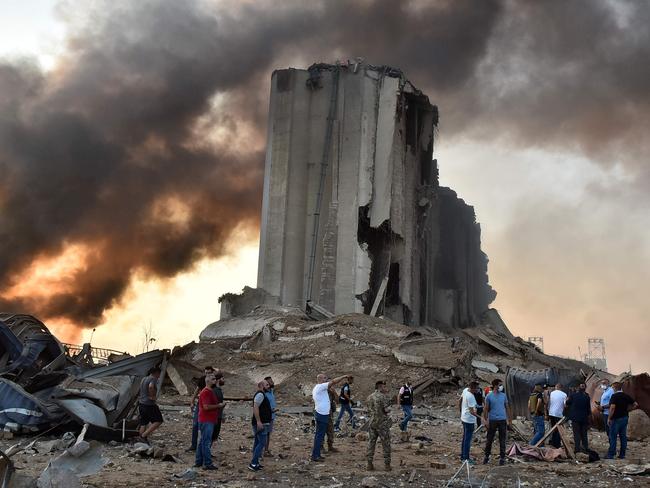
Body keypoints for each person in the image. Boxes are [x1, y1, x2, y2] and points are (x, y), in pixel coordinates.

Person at [311, 374, 349, 462]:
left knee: (320, 434)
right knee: (319, 435)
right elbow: (333, 381)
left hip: (325, 413)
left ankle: (317, 454)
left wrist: (334, 392)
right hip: (322, 414)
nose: (327, 380)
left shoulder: (323, 388)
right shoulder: (320, 387)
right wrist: (343, 376)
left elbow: (337, 400)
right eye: (325, 378)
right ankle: (315, 455)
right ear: (320, 379)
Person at [606, 382, 638, 459]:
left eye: (613, 387)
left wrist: (609, 418)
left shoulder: (614, 396)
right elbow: (636, 404)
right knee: (623, 437)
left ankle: (611, 455)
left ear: (615, 388)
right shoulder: (626, 396)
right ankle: (622, 455)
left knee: (613, 436)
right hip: (625, 418)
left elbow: (612, 407)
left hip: (616, 419)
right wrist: (628, 410)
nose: (612, 389)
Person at [483, 378, 511, 466]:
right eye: (499, 384)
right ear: (495, 385)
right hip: (492, 420)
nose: (501, 386)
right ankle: (486, 457)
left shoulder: (503, 395)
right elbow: (486, 409)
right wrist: (486, 420)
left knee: (502, 440)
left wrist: (509, 420)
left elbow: (507, 407)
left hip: (502, 420)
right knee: (489, 439)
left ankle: (502, 458)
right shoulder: (489, 396)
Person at [195, 373, 219, 470]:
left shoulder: (209, 391)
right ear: (208, 381)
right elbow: (206, 407)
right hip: (206, 420)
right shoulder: (206, 392)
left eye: (215, 379)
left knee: (202, 441)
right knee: (206, 442)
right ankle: (207, 463)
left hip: (207, 419)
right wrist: (219, 406)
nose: (215, 380)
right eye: (213, 379)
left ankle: (199, 461)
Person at [366, 380, 392, 472]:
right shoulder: (383, 397)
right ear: (380, 387)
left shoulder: (369, 397)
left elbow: (368, 410)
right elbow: (386, 410)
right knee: (386, 443)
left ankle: (369, 464)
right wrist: (390, 409)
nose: (386, 388)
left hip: (372, 422)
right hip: (382, 423)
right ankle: (387, 465)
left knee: (371, 442)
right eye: (384, 387)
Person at [187, 366, 214, 451]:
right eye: (206, 373)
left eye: (209, 373)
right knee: (195, 424)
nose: (207, 374)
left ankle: (204, 447)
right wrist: (192, 401)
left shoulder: (214, 381)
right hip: (200, 404)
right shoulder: (203, 379)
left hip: (209, 406)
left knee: (206, 426)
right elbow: (197, 390)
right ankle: (194, 445)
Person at [249, 380, 273, 471]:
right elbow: (255, 408)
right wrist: (259, 422)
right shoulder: (260, 395)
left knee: (257, 442)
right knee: (262, 442)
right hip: (260, 423)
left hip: (262, 422)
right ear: (261, 386)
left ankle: (255, 463)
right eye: (266, 385)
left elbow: (261, 408)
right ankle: (253, 463)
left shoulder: (262, 395)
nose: (268, 386)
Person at [138, 366, 163, 443]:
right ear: (156, 373)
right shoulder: (153, 379)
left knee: (144, 422)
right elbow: (151, 386)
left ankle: (141, 438)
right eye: (159, 374)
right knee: (158, 421)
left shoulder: (144, 379)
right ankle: (144, 435)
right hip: (149, 404)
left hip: (141, 403)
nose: (159, 376)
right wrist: (152, 396)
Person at [459, 381, 480, 464]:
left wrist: (461, 412)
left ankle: (463, 456)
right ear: (473, 388)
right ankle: (466, 458)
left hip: (464, 418)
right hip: (469, 420)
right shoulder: (471, 396)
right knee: (467, 439)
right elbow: (472, 412)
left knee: (465, 438)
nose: (478, 390)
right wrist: (481, 417)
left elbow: (459, 401)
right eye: (477, 388)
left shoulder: (465, 390)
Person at [566, 383, 591, 453]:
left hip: (575, 418)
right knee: (584, 434)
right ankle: (585, 448)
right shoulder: (587, 397)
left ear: (578, 388)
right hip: (584, 418)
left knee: (576, 434)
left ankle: (577, 449)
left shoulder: (573, 395)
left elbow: (567, 403)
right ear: (585, 388)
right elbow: (588, 409)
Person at [548, 383, 567, 448]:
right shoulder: (564, 394)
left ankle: (553, 442)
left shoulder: (552, 393)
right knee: (559, 429)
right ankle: (557, 444)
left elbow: (550, 402)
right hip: (559, 414)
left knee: (553, 428)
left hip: (551, 413)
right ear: (561, 388)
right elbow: (565, 405)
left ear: (556, 387)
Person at [264, 376, 278, 456]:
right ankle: (264, 450)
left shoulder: (271, 391)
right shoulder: (264, 394)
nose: (272, 382)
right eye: (270, 381)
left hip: (272, 416)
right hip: (267, 416)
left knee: (268, 433)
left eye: (272, 381)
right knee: (265, 434)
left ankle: (266, 449)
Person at [211, 372, 226, 448]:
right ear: (218, 380)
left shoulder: (219, 390)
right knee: (211, 436)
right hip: (214, 417)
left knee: (214, 436)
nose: (224, 380)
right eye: (223, 379)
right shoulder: (214, 390)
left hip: (218, 416)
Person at [326, 382, 339, 452]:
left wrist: (334, 392)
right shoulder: (321, 390)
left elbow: (337, 401)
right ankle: (321, 447)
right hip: (321, 412)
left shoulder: (331, 392)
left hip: (329, 412)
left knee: (330, 429)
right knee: (321, 430)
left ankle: (330, 446)